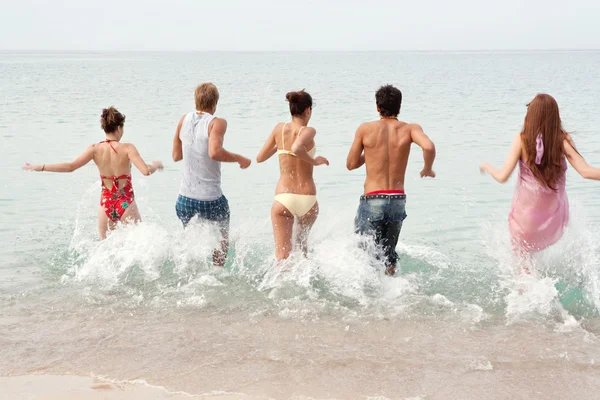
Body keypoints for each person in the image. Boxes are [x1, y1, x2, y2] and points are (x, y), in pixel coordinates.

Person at [480, 93, 600, 258]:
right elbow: (586, 171)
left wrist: (487, 167)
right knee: (568, 209)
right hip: (554, 222)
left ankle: (528, 282)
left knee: (522, 264)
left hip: (524, 224)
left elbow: (502, 177)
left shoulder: (522, 140)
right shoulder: (562, 140)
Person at [23, 107, 163, 239]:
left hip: (106, 204)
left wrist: (41, 167)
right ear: (119, 128)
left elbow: (70, 167)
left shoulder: (95, 149)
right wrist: (155, 165)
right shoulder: (128, 148)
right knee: (138, 243)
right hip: (125, 202)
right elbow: (145, 170)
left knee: (105, 249)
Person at [347, 85, 436, 276]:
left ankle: (371, 298)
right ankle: (391, 296)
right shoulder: (410, 129)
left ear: (378, 107)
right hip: (397, 199)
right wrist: (427, 168)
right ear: (400, 106)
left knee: (365, 254)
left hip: (373, 198)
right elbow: (428, 146)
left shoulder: (365, 129)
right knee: (389, 256)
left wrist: (371, 153)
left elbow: (351, 164)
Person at [172, 82, 252, 267]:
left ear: (196, 100)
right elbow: (214, 152)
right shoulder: (217, 122)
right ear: (215, 103)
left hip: (184, 200)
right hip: (211, 200)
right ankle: (217, 273)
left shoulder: (183, 119)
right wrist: (239, 158)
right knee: (222, 241)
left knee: (193, 242)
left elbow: (176, 156)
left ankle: (190, 272)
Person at [256, 90, 329, 261]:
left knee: (282, 256)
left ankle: (279, 287)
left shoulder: (279, 129)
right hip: (307, 199)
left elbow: (260, 158)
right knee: (302, 252)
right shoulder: (308, 130)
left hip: (284, 197)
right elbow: (297, 148)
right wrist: (314, 161)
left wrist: (280, 146)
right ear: (308, 110)